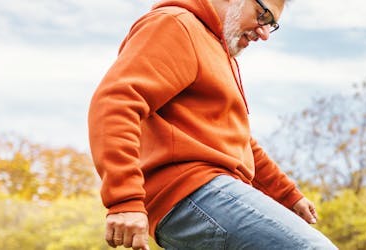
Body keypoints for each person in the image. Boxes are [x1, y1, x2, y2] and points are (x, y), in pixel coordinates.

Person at [88, 0, 336, 249]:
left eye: (271, 25)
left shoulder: (219, 52)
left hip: (208, 194)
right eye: (262, 16)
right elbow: (116, 103)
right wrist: (124, 200)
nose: (264, 34)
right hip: (193, 191)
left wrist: (287, 195)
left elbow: (239, 141)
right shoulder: (176, 25)